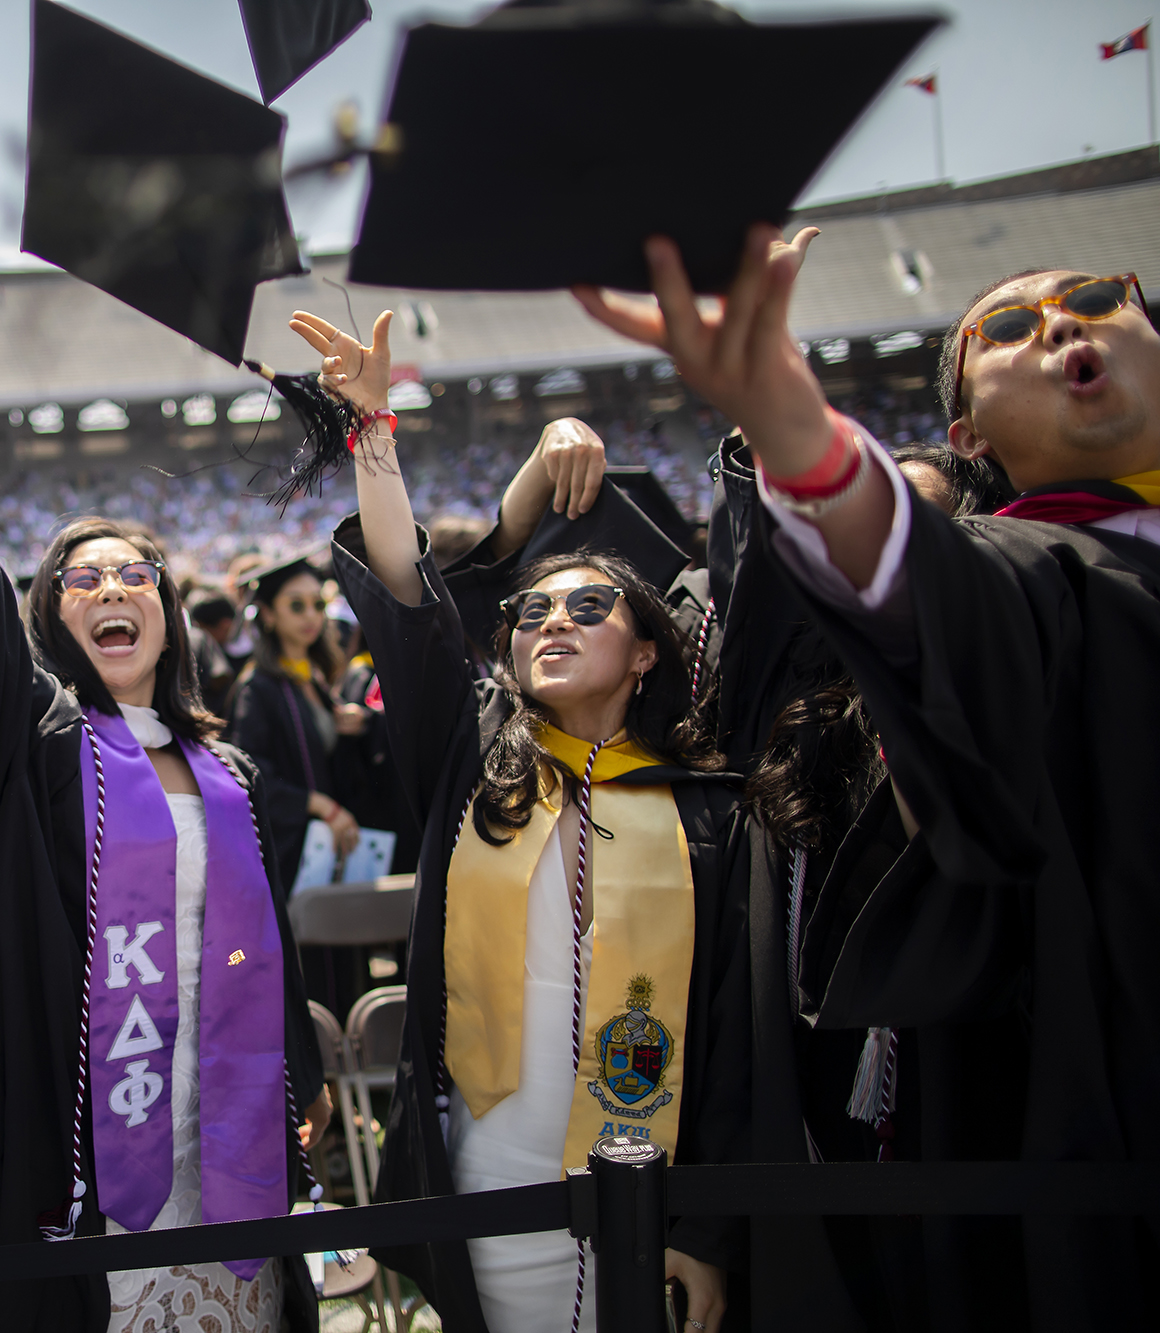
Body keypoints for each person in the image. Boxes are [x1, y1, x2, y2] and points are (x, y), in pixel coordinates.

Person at [577, 232, 1160, 1328]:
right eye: (1004, 328)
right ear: (968, 433)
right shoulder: (1025, 578)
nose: (1058, 326)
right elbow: (934, 592)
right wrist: (793, 428)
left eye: (1091, 298)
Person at [0, 207, 326, 1333]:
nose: (111, 588)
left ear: (168, 612)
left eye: (135, 572)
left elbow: (268, 946)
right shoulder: (31, 753)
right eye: (80, 577)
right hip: (91, 1173)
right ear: (46, 615)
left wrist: (299, 1083)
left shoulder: (230, 772)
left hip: (230, 1162)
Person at [290, 308, 750, 1333]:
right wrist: (372, 434)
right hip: (491, 1178)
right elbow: (410, 614)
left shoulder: (707, 814)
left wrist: (708, 1229)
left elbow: (734, 1042)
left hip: (656, 1179)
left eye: (588, 610)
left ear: (646, 653)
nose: (551, 622)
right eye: (531, 612)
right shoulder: (474, 769)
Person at [225, 555, 367, 900]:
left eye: (318, 604)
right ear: (269, 615)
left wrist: (352, 724)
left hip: (332, 845)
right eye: (296, 606)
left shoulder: (313, 678)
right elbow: (247, 776)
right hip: (295, 857)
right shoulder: (258, 688)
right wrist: (318, 804)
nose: (311, 616)